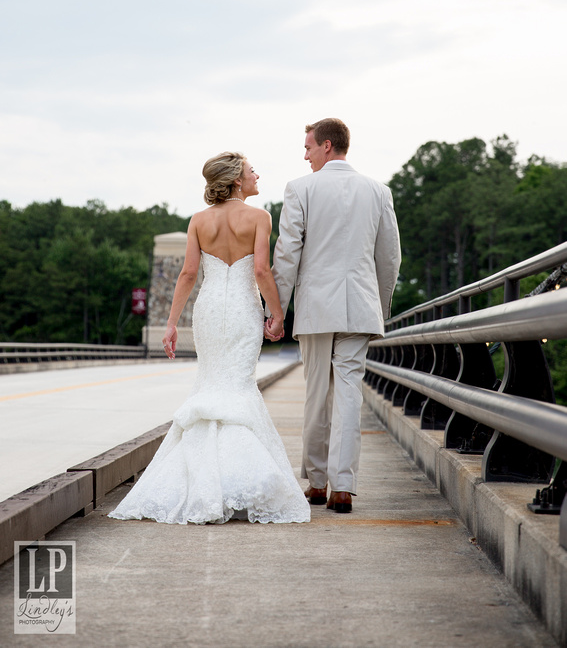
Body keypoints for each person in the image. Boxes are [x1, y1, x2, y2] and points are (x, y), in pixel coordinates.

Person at [109, 152, 310, 525]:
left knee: (211, 384)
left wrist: (171, 322)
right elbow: (263, 271)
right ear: (236, 180)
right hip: (241, 310)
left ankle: (200, 480)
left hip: (209, 309)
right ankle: (240, 482)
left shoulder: (199, 220)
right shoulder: (260, 217)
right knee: (236, 386)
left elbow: (187, 274)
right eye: (251, 171)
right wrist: (277, 312)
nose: (256, 175)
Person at [265, 119, 401, 514]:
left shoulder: (301, 189)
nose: (304, 154)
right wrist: (381, 306)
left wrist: (278, 311)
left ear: (327, 145)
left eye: (308, 147)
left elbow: (287, 253)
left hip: (316, 308)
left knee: (316, 395)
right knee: (349, 395)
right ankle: (344, 486)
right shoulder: (379, 191)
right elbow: (389, 257)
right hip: (360, 306)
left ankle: (317, 483)